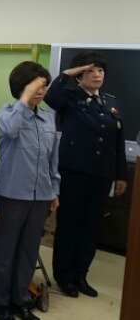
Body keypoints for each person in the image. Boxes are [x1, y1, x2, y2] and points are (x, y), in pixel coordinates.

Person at [44, 52, 127, 298]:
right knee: (69, 225)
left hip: (101, 175)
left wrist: (120, 174)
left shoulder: (110, 102)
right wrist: (66, 74)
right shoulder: (69, 98)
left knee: (91, 227)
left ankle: (81, 275)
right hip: (74, 173)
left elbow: (118, 141)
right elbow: (50, 96)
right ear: (79, 75)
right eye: (90, 71)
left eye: (100, 70)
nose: (97, 75)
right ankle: (64, 276)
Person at [0, 61, 60, 320]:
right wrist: (25, 100)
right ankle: (0, 302)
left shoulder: (48, 116)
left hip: (41, 195)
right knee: (5, 250)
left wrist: (54, 190)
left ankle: (20, 300)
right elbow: (9, 130)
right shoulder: (7, 113)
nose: (41, 91)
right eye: (35, 86)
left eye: (44, 86)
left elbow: (53, 159)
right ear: (21, 86)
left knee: (29, 251)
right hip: (11, 194)